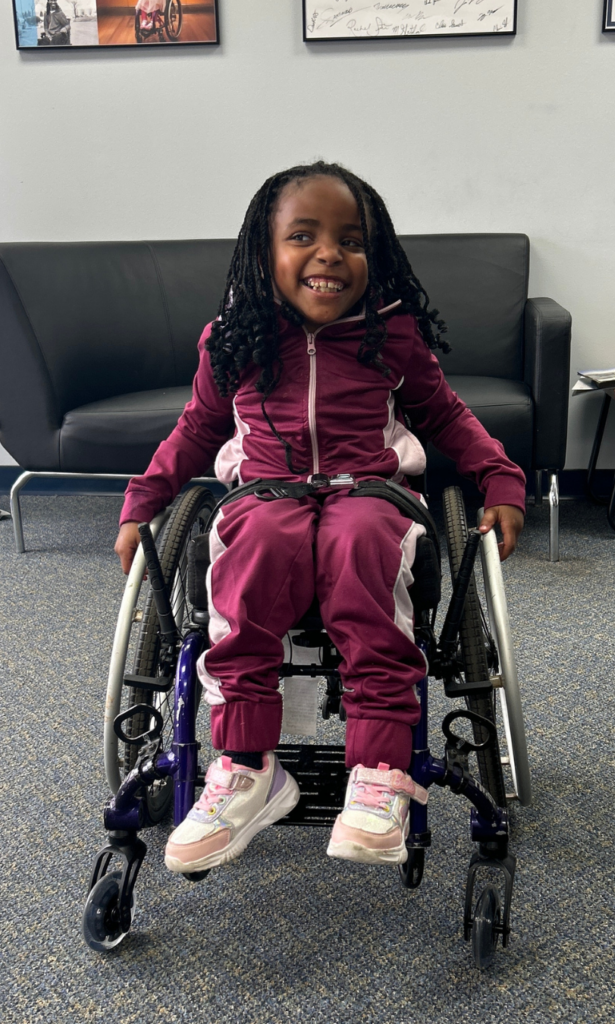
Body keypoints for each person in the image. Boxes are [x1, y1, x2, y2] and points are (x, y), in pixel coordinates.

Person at [115, 161, 526, 874]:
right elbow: (194, 428)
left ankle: (378, 775)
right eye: (301, 235)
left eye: (350, 240)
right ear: (263, 253)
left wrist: (499, 476)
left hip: (369, 490)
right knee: (256, 544)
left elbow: (447, 418)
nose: (329, 253)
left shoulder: (391, 338)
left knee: (362, 539)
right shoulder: (235, 339)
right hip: (265, 493)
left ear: (376, 256)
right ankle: (247, 768)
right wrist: (143, 501)